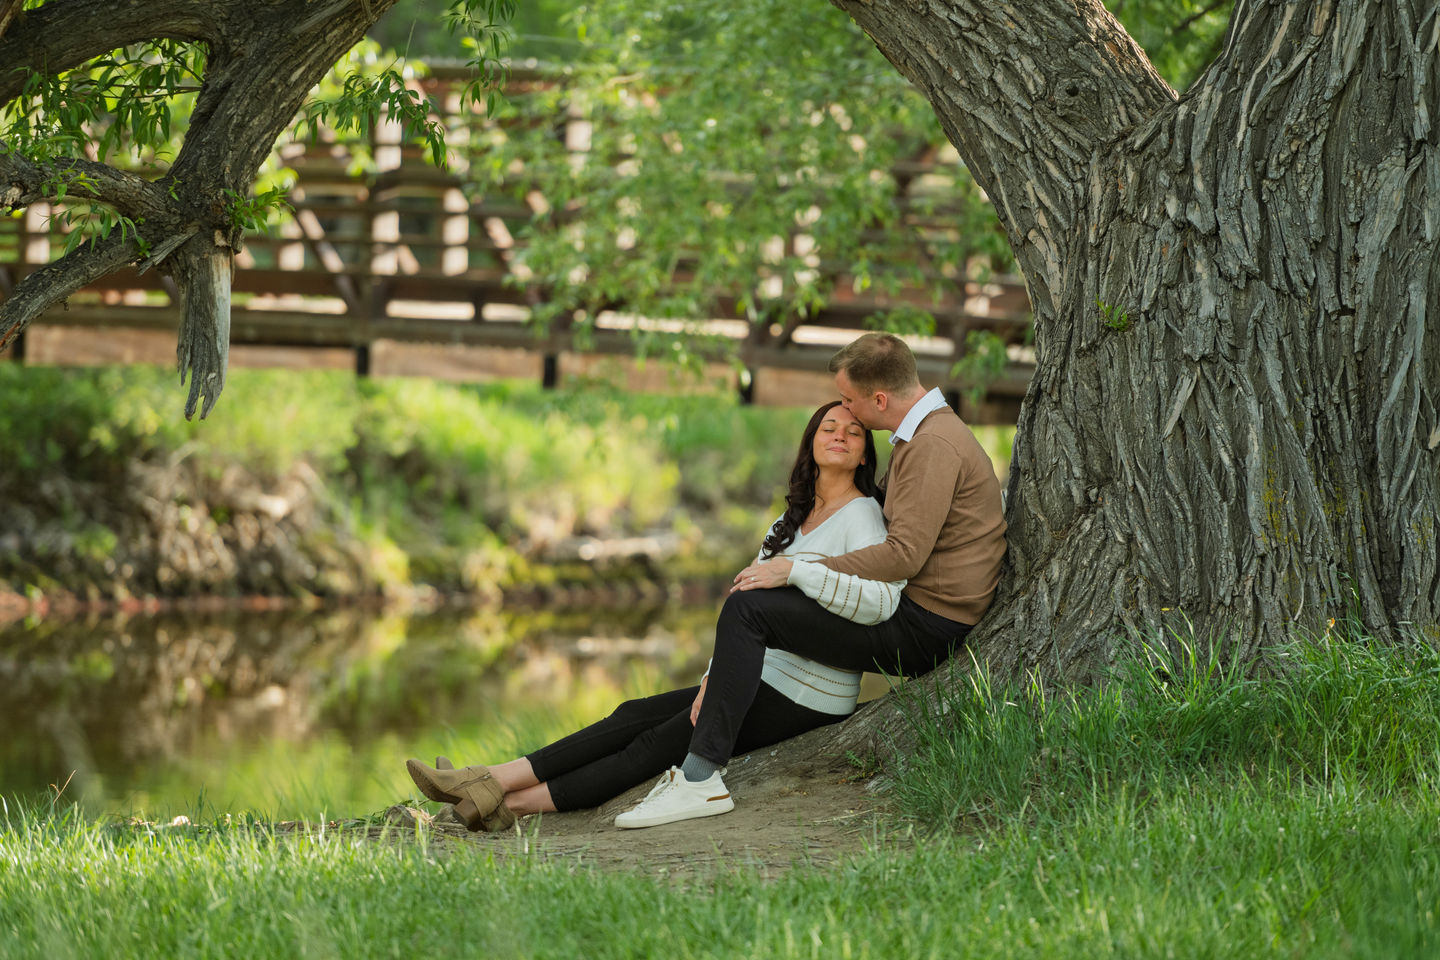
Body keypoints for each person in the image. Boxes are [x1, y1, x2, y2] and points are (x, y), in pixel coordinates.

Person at [405, 400, 906, 830]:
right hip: (758, 675)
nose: (840, 436)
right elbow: (745, 616)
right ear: (811, 443)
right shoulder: (789, 521)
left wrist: (796, 572)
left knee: (655, 741)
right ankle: (490, 779)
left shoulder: (862, 514)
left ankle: (507, 805)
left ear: (865, 452)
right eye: (829, 428)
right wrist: (715, 678)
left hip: (809, 694)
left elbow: (877, 602)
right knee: (631, 714)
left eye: (854, 431)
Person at [613, 332, 1007, 829]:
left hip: (928, 627)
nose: (845, 409)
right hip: (920, 611)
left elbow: (903, 555)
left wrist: (798, 570)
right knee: (752, 605)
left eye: (849, 400)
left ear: (878, 400)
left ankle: (699, 780)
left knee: (751, 608)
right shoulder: (922, 435)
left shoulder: (933, 445)